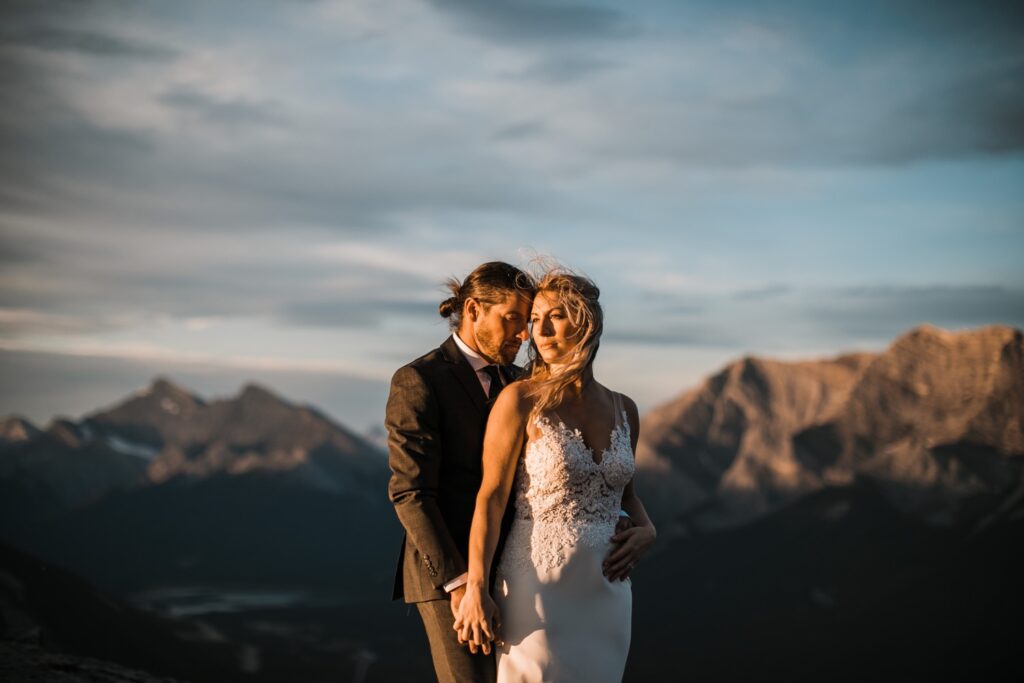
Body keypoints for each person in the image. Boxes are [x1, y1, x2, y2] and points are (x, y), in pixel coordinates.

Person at [455, 266, 656, 682]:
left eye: (556, 316)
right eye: (534, 320)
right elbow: (491, 497)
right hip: (537, 590)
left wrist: (648, 529)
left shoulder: (625, 408)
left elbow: (627, 494)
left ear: (588, 323)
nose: (540, 331)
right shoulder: (519, 400)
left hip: (608, 593)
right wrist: (476, 586)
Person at [386, 261, 535, 683]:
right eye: (512, 319)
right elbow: (411, 492)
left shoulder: (523, 383)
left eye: (527, 322)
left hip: (518, 566)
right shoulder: (420, 379)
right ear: (472, 310)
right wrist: (460, 583)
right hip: (447, 573)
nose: (523, 334)